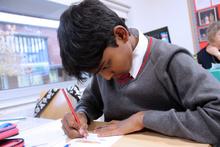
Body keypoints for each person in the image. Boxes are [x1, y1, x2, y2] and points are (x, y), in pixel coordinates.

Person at [58, 0, 220, 145]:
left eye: (106, 66)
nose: (105, 78)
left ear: (121, 35)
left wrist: (143, 119)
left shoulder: (172, 60)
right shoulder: (103, 69)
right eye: (97, 73)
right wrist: (81, 114)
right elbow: (90, 101)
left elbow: (216, 116)